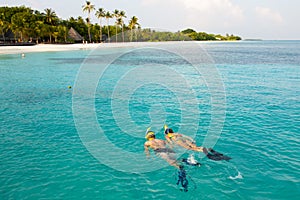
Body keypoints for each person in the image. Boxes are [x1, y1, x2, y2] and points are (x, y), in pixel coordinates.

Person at [164, 125, 231, 161]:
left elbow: (170, 143)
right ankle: (211, 150)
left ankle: (210, 156)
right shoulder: (177, 134)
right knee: (195, 147)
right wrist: (192, 141)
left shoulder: (168, 137)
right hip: (184, 139)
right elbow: (186, 137)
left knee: (193, 149)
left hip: (179, 141)